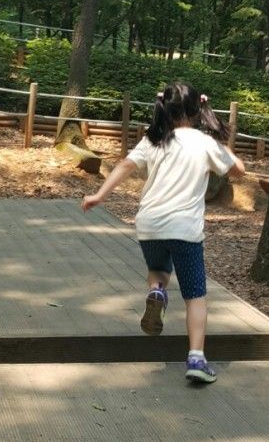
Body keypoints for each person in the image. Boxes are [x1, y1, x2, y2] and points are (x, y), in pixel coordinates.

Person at [81, 82, 245, 383]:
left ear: (165, 109)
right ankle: (196, 358)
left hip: (150, 224)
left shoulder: (154, 140)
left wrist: (100, 196)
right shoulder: (204, 142)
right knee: (195, 295)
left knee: (158, 269)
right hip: (184, 228)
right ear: (198, 111)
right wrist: (222, 141)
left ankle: (156, 291)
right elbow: (238, 170)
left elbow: (125, 166)